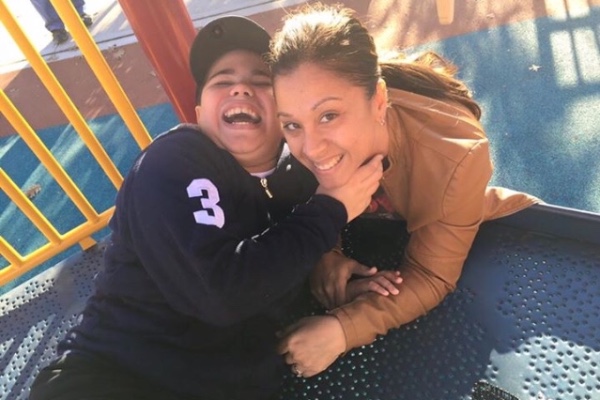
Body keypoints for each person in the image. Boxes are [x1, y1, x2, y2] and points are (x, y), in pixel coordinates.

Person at [28, 15, 386, 400]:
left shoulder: (297, 178)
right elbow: (220, 291)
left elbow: (270, 270)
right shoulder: (175, 161)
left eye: (260, 81)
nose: (241, 88)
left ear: (286, 117)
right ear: (199, 115)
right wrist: (330, 210)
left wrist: (326, 274)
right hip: (113, 374)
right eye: (221, 82)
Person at [269, 3, 541, 378]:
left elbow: (430, 275)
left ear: (379, 101)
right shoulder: (301, 151)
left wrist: (341, 330)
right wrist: (326, 253)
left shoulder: (455, 160)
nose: (312, 149)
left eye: (329, 116)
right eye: (292, 125)